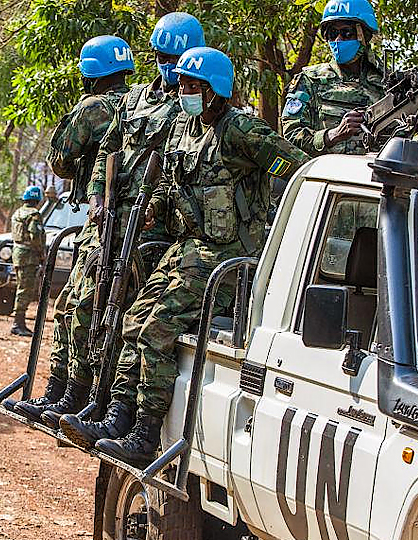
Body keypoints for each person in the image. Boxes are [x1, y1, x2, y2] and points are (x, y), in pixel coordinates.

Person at [65, 48, 309, 466]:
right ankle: (118, 418)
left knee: (155, 329)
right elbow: (171, 187)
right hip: (187, 249)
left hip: (226, 256)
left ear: (216, 90)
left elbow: (301, 171)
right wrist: (153, 209)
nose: (185, 92)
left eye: (194, 86)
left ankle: (145, 433)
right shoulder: (183, 128)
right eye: (182, 84)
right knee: (132, 320)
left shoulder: (241, 131)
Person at [15, 15, 206, 429]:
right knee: (77, 308)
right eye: (163, 56)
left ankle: (99, 404)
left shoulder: (195, 109)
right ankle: (62, 393)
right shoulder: (135, 99)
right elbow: (107, 153)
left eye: (177, 58)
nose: (170, 66)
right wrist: (100, 198)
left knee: (117, 320)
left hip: (149, 234)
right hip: (107, 223)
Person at [280, 0, 384, 157]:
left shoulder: (387, 82)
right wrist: (333, 135)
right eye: (332, 34)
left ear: (365, 35)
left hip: (374, 177)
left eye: (347, 33)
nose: (338, 40)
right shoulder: (309, 80)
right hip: (327, 176)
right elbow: (291, 134)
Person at [9, 185, 47, 336]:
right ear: (37, 200)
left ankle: (19, 322)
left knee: (21, 287)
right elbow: (35, 236)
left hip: (17, 253)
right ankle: (18, 324)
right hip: (29, 256)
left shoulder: (18, 212)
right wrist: (41, 254)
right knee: (25, 289)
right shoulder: (34, 214)